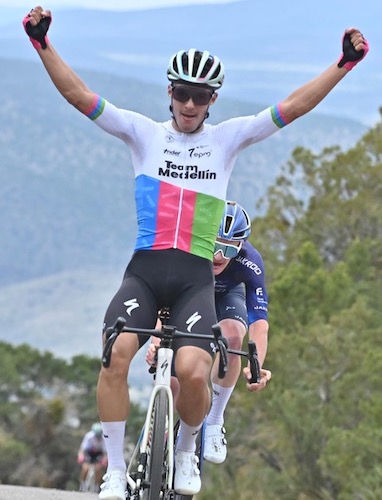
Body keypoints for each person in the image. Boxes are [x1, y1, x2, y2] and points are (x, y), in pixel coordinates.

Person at [22, 7, 369, 498]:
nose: (189, 103)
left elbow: (291, 107)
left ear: (212, 100)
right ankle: (117, 472)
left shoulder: (225, 142)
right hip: (144, 270)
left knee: (192, 370)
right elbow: (79, 96)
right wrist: (41, 43)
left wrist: (344, 63)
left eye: (199, 96)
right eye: (182, 93)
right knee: (115, 354)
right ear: (169, 92)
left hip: (193, 278)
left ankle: (187, 452)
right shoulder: (144, 135)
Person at [146, 201, 271, 464]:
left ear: (241, 247)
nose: (220, 256)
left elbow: (259, 322)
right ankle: (156, 438)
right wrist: (157, 336)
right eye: (215, 244)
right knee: (174, 379)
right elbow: (163, 296)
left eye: (230, 249)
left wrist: (257, 364)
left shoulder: (250, 262)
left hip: (227, 297)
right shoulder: (185, 250)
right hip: (186, 295)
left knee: (233, 338)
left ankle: (214, 421)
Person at [77, 422, 108, 492]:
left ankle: (96, 486)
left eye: (99, 435)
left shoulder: (104, 438)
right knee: (85, 469)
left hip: (98, 453)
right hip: (89, 452)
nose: (97, 437)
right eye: (96, 435)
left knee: (98, 469)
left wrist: (104, 460)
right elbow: (82, 449)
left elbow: (105, 453)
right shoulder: (89, 436)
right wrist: (80, 456)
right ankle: (82, 484)